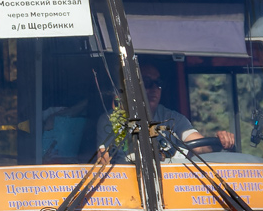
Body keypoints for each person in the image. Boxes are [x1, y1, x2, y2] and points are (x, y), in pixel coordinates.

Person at [98, 63, 235, 155]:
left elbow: (200, 145)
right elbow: (105, 160)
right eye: (147, 82)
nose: (154, 89)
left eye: (158, 83)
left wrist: (220, 141)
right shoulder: (112, 120)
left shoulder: (172, 119)